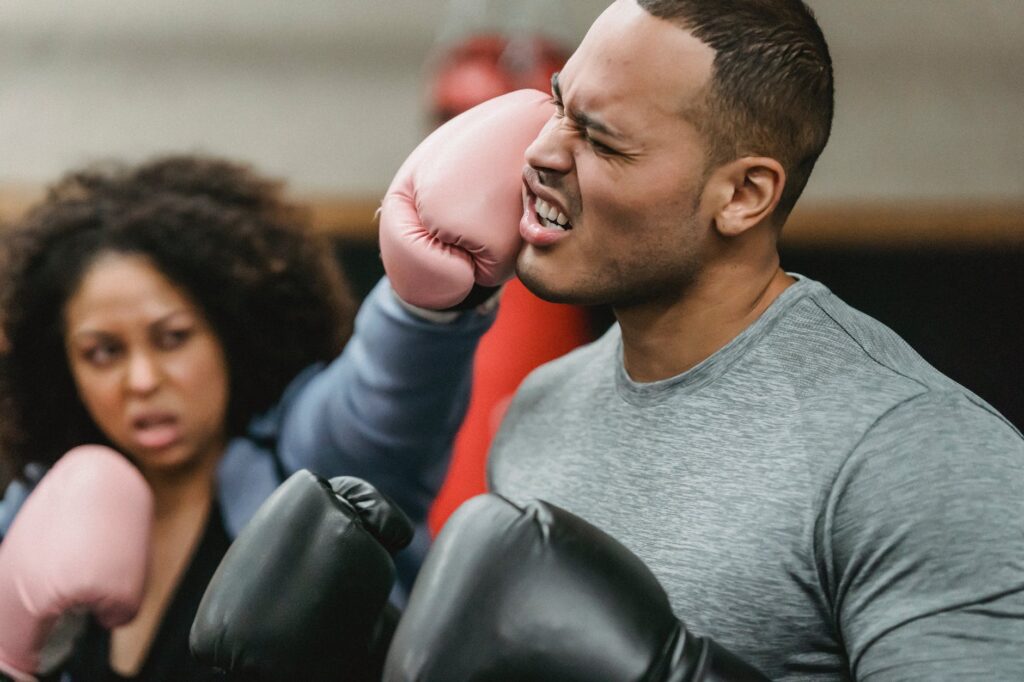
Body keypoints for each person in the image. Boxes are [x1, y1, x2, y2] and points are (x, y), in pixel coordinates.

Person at [385, 0, 1024, 678]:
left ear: (743, 195)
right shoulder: (543, 408)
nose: (540, 153)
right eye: (557, 105)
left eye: (601, 141)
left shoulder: (914, 454)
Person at [0, 154, 496, 680]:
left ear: (228, 334)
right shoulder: (40, 500)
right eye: (102, 352)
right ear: (62, 366)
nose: (141, 380)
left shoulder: (309, 469)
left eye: (173, 338)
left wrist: (431, 298)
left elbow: (389, 390)